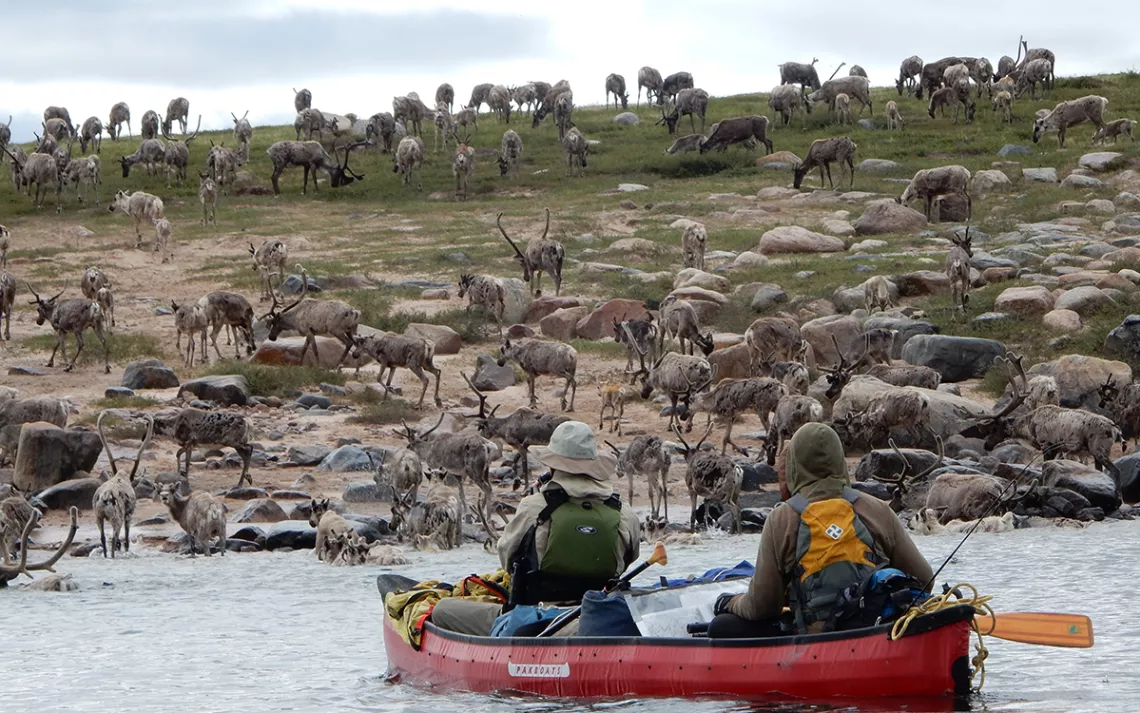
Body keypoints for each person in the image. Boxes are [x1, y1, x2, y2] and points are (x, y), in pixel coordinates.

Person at [707, 422, 934, 638]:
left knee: (721, 626)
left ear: (795, 465)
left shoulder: (781, 519)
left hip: (819, 639)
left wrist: (730, 602)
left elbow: (762, 606)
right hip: (877, 629)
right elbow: (924, 579)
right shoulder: (877, 509)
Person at [430, 421, 641, 636]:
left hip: (533, 619)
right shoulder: (623, 512)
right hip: (599, 615)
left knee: (442, 610)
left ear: (553, 466)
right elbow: (629, 558)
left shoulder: (535, 507)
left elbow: (507, 560)